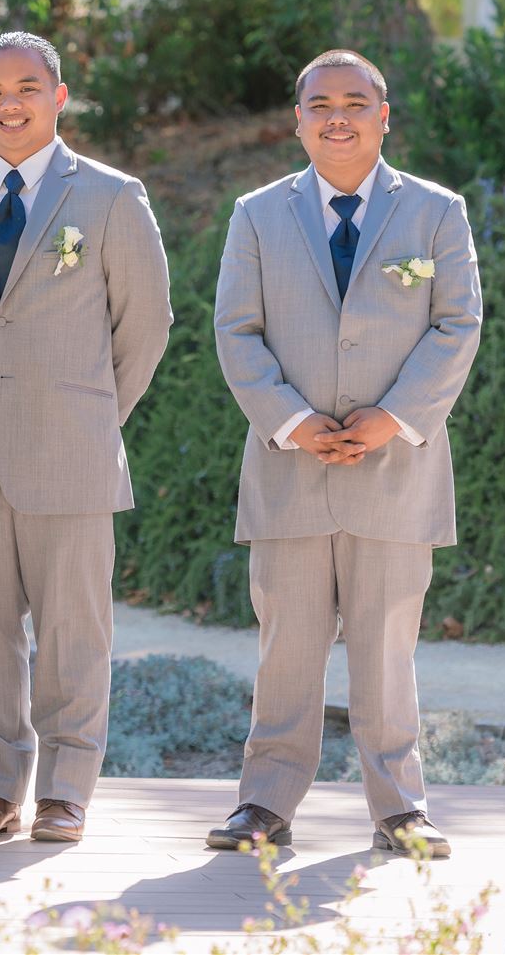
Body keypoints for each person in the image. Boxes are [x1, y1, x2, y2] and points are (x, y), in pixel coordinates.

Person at [206, 48, 482, 859]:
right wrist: (291, 420)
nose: (338, 116)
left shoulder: (435, 212)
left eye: (355, 102)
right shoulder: (257, 215)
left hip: (397, 470)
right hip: (289, 467)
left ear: (383, 114)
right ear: (297, 120)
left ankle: (400, 807)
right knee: (285, 644)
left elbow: (457, 324)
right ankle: (263, 804)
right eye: (320, 103)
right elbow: (236, 330)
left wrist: (392, 418)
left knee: (386, 648)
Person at [0, 31, 173, 843]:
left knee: (74, 630)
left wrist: (95, 414)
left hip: (72, 449)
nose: (10, 103)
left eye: (27, 87)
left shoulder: (109, 196)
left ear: (58, 96)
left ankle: (67, 788)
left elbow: (147, 325)